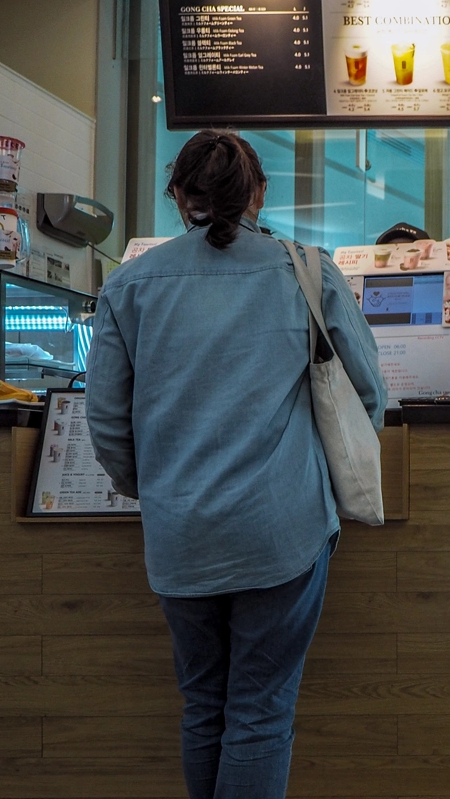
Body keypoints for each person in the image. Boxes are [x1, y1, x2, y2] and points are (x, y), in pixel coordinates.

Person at [86, 130, 385, 799]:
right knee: (259, 710)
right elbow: (368, 394)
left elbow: (105, 420)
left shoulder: (129, 285)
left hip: (180, 535)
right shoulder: (306, 269)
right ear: (258, 194)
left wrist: (154, 488)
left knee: (203, 704)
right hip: (282, 531)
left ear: (177, 196)